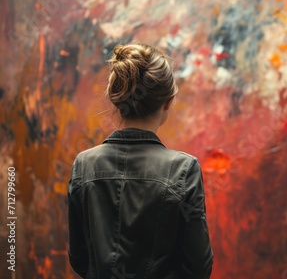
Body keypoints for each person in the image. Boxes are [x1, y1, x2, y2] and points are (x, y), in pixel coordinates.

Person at [67, 43, 213, 279]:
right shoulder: (183, 170)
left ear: (116, 100)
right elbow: (198, 267)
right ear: (167, 102)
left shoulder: (84, 165)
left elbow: (79, 258)